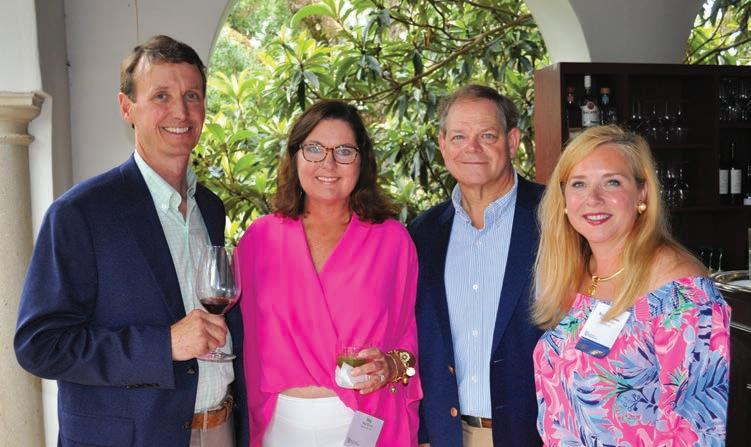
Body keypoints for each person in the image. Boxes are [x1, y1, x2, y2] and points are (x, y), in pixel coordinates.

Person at [14, 35, 248, 446]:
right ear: (127, 107)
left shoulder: (210, 207)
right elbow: (41, 345)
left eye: (192, 95)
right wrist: (164, 345)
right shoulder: (79, 213)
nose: (181, 111)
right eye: (161, 96)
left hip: (219, 429)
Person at [235, 99, 422, 446]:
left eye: (344, 151)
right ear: (295, 155)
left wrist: (390, 366)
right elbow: (233, 335)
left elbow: (409, 345)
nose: (329, 163)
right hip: (281, 424)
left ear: (362, 161)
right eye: (314, 149)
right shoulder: (259, 239)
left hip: (364, 423)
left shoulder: (393, 241)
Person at [532, 125, 730, 446]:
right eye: (579, 184)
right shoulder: (574, 274)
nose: (593, 199)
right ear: (564, 198)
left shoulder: (680, 290)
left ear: (642, 193)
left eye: (612, 182)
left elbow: (700, 432)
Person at [409, 84, 543, 447]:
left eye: (487, 135)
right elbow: (419, 341)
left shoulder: (556, 217)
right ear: (442, 144)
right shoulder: (422, 234)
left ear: (512, 141)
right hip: (449, 436)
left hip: (537, 435)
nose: (472, 148)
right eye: (459, 137)